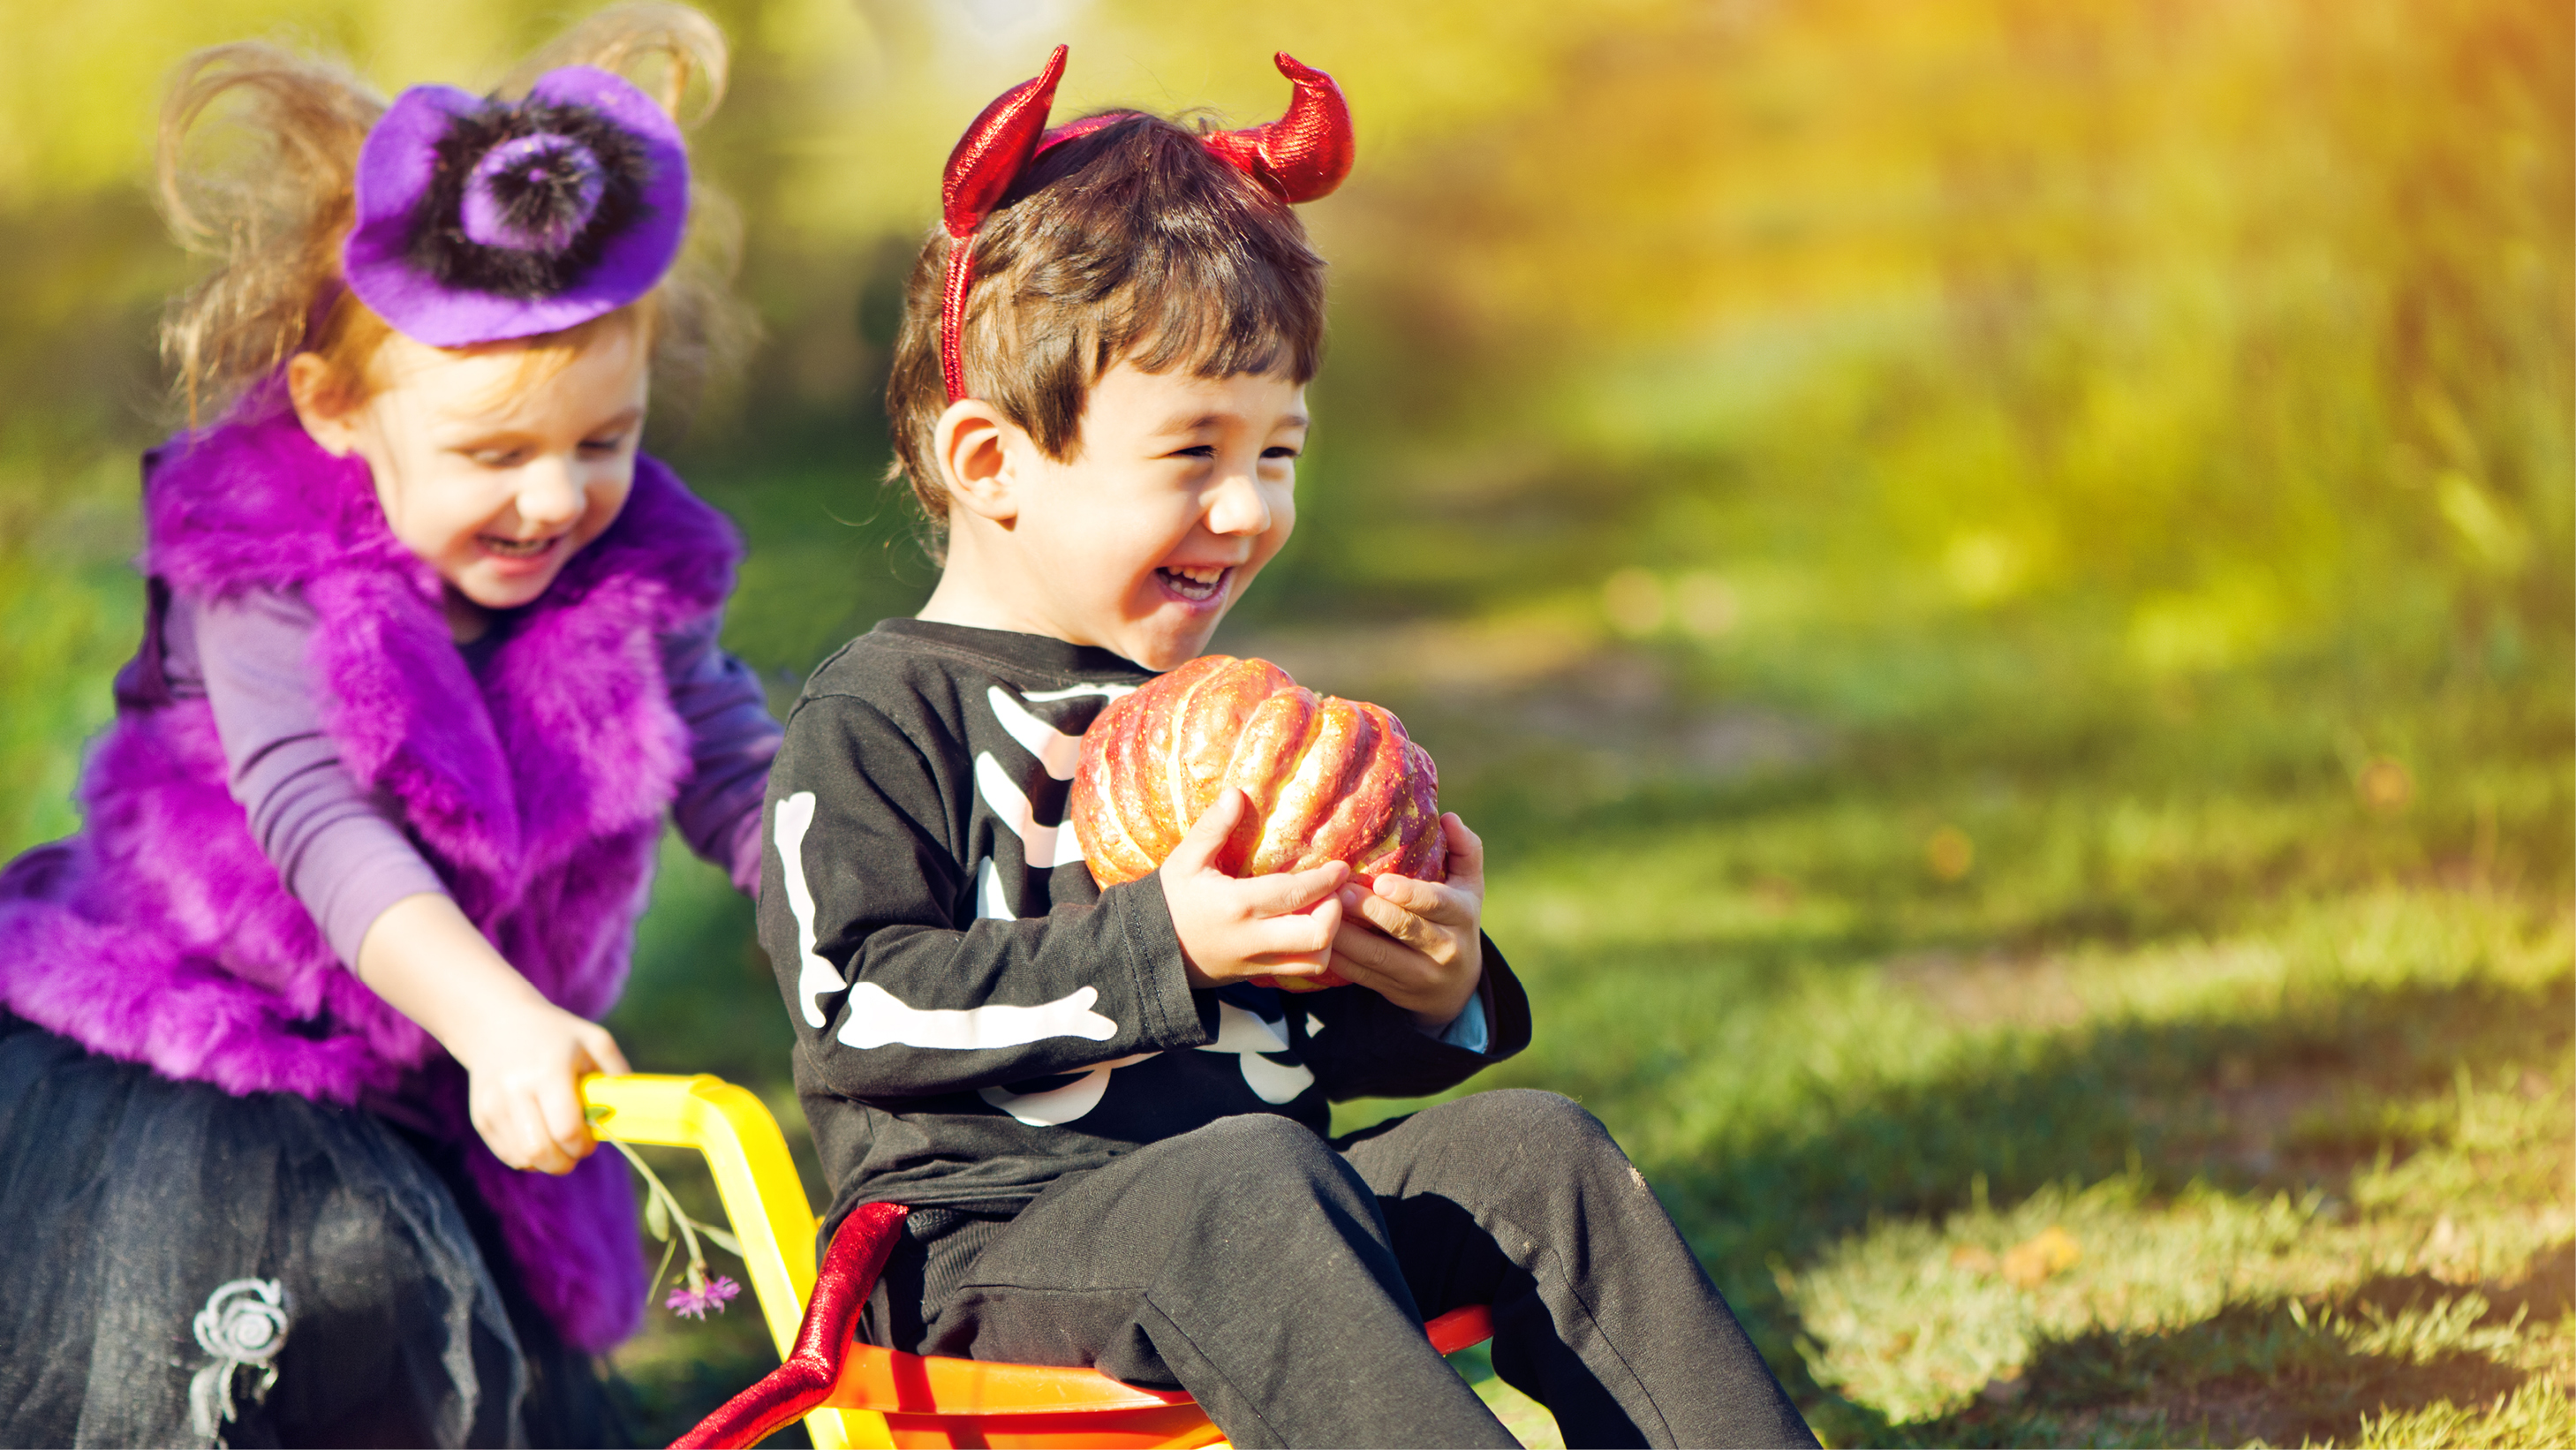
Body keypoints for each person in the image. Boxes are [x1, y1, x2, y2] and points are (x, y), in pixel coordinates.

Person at [757, 47, 1817, 1448]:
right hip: (988, 1250)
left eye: (1279, 453)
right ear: (992, 461)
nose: (1249, 508)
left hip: (1264, 1209)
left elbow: (1273, 1044)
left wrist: (1424, 991)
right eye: (1193, 452)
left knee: (1534, 1150)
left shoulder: (1218, 723)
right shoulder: (885, 712)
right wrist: (1162, 946)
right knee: (1255, 1177)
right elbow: (855, 1010)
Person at [0, 7, 777, 1445]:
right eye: (494, 454)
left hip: (457, 1079)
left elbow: (735, 761)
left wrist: (859, 875)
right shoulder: (268, 569)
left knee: (434, 1372)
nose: (552, 500)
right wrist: (495, 1021)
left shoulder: (631, 573)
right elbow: (318, 820)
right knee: (294, 1327)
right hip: (220, 1066)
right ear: (336, 410)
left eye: (601, 442)